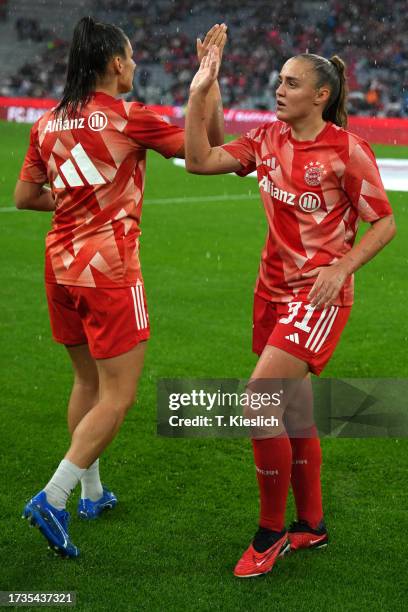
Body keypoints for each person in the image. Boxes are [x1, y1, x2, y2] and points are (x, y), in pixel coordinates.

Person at [15, 17, 227, 558]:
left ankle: (93, 493)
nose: (134, 66)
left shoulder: (48, 123)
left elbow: (25, 196)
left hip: (60, 266)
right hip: (109, 272)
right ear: (115, 63)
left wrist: (74, 205)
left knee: (86, 382)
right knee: (119, 394)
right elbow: (204, 155)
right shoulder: (131, 118)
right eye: (130, 57)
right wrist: (209, 80)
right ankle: (54, 496)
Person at [185, 46, 396, 578]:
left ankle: (271, 532)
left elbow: (385, 223)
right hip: (271, 290)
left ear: (321, 96)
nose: (279, 89)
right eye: (279, 80)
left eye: (291, 83)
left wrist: (341, 267)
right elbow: (201, 159)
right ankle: (313, 526)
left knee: (258, 402)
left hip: (317, 296)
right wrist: (202, 88)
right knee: (295, 411)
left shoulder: (347, 150)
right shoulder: (266, 138)